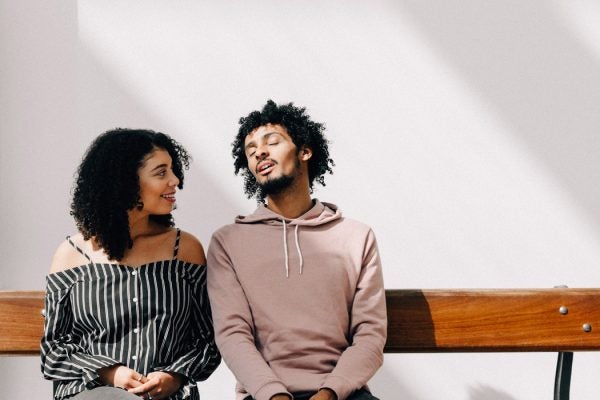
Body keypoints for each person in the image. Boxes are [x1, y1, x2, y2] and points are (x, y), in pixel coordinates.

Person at [207, 100, 387, 400]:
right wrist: (274, 395)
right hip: (264, 395)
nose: (259, 152)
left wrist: (330, 392)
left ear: (305, 151)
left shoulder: (356, 237)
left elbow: (370, 335)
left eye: (271, 142)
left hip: (341, 394)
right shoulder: (228, 242)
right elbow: (232, 335)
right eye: (251, 151)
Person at [41, 129, 221, 400]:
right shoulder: (71, 254)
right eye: (161, 173)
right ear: (123, 182)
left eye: (173, 170)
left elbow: (208, 340)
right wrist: (109, 373)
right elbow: (53, 351)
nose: (175, 181)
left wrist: (174, 376)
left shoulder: (184, 250)